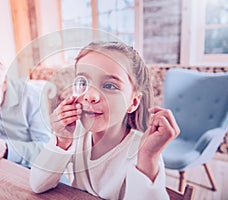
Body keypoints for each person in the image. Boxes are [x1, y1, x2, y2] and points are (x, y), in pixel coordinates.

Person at [30, 41, 180, 199]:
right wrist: (61, 139)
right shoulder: (76, 133)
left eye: (109, 85)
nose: (90, 95)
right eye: (82, 82)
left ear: (133, 102)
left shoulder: (144, 150)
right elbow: (38, 184)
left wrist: (148, 159)